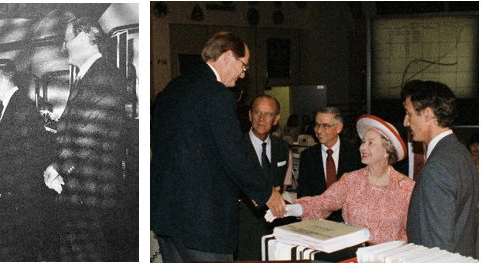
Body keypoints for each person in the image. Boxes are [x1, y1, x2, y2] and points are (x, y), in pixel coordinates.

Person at [151, 31, 285, 262]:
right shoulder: (218, 95)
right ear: (227, 56)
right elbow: (232, 155)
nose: (243, 75)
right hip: (203, 223)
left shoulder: (172, 88)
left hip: (167, 217)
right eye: (243, 66)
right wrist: (266, 193)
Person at [43, 17, 135, 261]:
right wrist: (56, 166)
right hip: (80, 187)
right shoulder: (89, 76)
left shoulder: (104, 75)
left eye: (67, 40)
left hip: (91, 191)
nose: (64, 48)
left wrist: (61, 167)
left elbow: (89, 133)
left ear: (83, 37)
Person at [269, 115, 414, 246]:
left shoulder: (406, 188)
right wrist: (292, 209)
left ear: (387, 151)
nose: (363, 147)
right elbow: (323, 202)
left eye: (370, 143)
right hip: (355, 258)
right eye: (363, 142)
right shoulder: (351, 181)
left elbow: (414, 231)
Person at [0, 61, 58, 261]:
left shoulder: (20, 105)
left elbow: (26, 155)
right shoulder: (8, 106)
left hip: (20, 198)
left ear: (0, 79)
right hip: (16, 196)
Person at [401, 80, 478, 259]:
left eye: (408, 113)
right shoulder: (462, 153)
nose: (405, 122)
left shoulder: (437, 168)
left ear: (427, 114)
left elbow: (436, 250)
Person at [234, 95, 293, 261]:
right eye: (257, 113)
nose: (261, 119)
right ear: (250, 115)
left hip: (274, 228)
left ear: (276, 119)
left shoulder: (281, 147)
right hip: (243, 228)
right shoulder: (236, 147)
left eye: (268, 114)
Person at [296, 107, 364, 222]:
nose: (318, 130)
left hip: (348, 222)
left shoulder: (355, 154)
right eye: (317, 125)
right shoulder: (307, 156)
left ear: (339, 128)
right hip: (317, 222)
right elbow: (303, 195)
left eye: (325, 126)